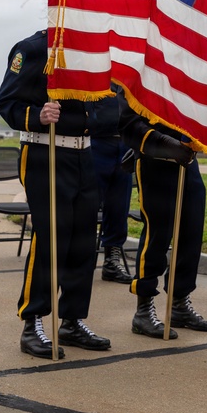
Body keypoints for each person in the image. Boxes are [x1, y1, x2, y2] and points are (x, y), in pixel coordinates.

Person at [0, 29, 111, 359]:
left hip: (84, 153)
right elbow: (7, 102)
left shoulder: (94, 51)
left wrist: (93, 120)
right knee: (50, 238)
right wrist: (36, 116)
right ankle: (32, 322)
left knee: (82, 241)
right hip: (44, 152)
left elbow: (110, 103)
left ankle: (72, 320)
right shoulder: (32, 49)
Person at [119, 97, 207, 338]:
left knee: (191, 232)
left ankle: (179, 303)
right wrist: (163, 142)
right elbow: (128, 123)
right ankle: (143, 309)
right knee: (157, 235)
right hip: (155, 161)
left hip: (187, 162)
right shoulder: (141, 72)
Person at [91, 84, 133, 284]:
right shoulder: (94, 64)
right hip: (97, 143)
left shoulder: (126, 68)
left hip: (124, 144)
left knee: (118, 208)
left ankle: (111, 262)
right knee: (88, 206)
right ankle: (82, 260)